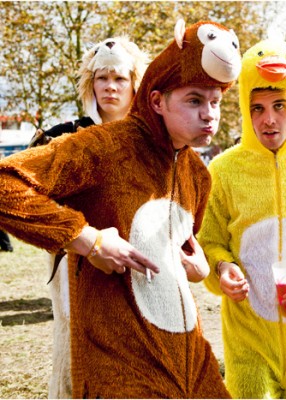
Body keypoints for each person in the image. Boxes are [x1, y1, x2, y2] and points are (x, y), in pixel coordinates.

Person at [0, 19, 241, 398]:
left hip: (190, 359)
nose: (209, 113)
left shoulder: (198, 174)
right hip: (118, 366)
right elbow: (5, 184)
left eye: (215, 101)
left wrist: (198, 268)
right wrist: (87, 239)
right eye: (194, 100)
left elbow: (180, 251)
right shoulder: (102, 146)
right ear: (158, 100)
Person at [197, 39, 286, 398]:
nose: (268, 119)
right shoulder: (224, 169)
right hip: (249, 347)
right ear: (245, 109)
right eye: (257, 108)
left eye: (278, 105)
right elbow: (209, 240)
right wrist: (222, 270)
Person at [29, 36, 149, 399]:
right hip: (75, 269)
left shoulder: (152, 141)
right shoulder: (61, 138)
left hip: (138, 269)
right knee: (73, 364)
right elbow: (26, 196)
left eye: (120, 79)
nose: (110, 87)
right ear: (90, 84)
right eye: (101, 78)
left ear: (135, 84)